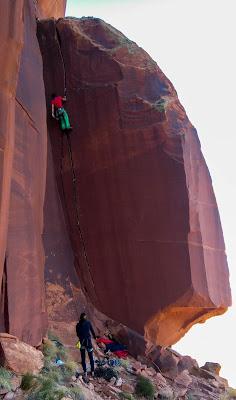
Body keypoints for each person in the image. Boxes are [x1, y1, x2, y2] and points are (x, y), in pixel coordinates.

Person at [76, 313, 96, 378]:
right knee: (91, 357)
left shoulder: (78, 325)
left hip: (82, 343)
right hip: (88, 343)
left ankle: (85, 372)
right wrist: (95, 337)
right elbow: (92, 331)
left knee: (83, 358)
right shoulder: (88, 323)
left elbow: (78, 334)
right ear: (85, 317)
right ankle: (92, 371)